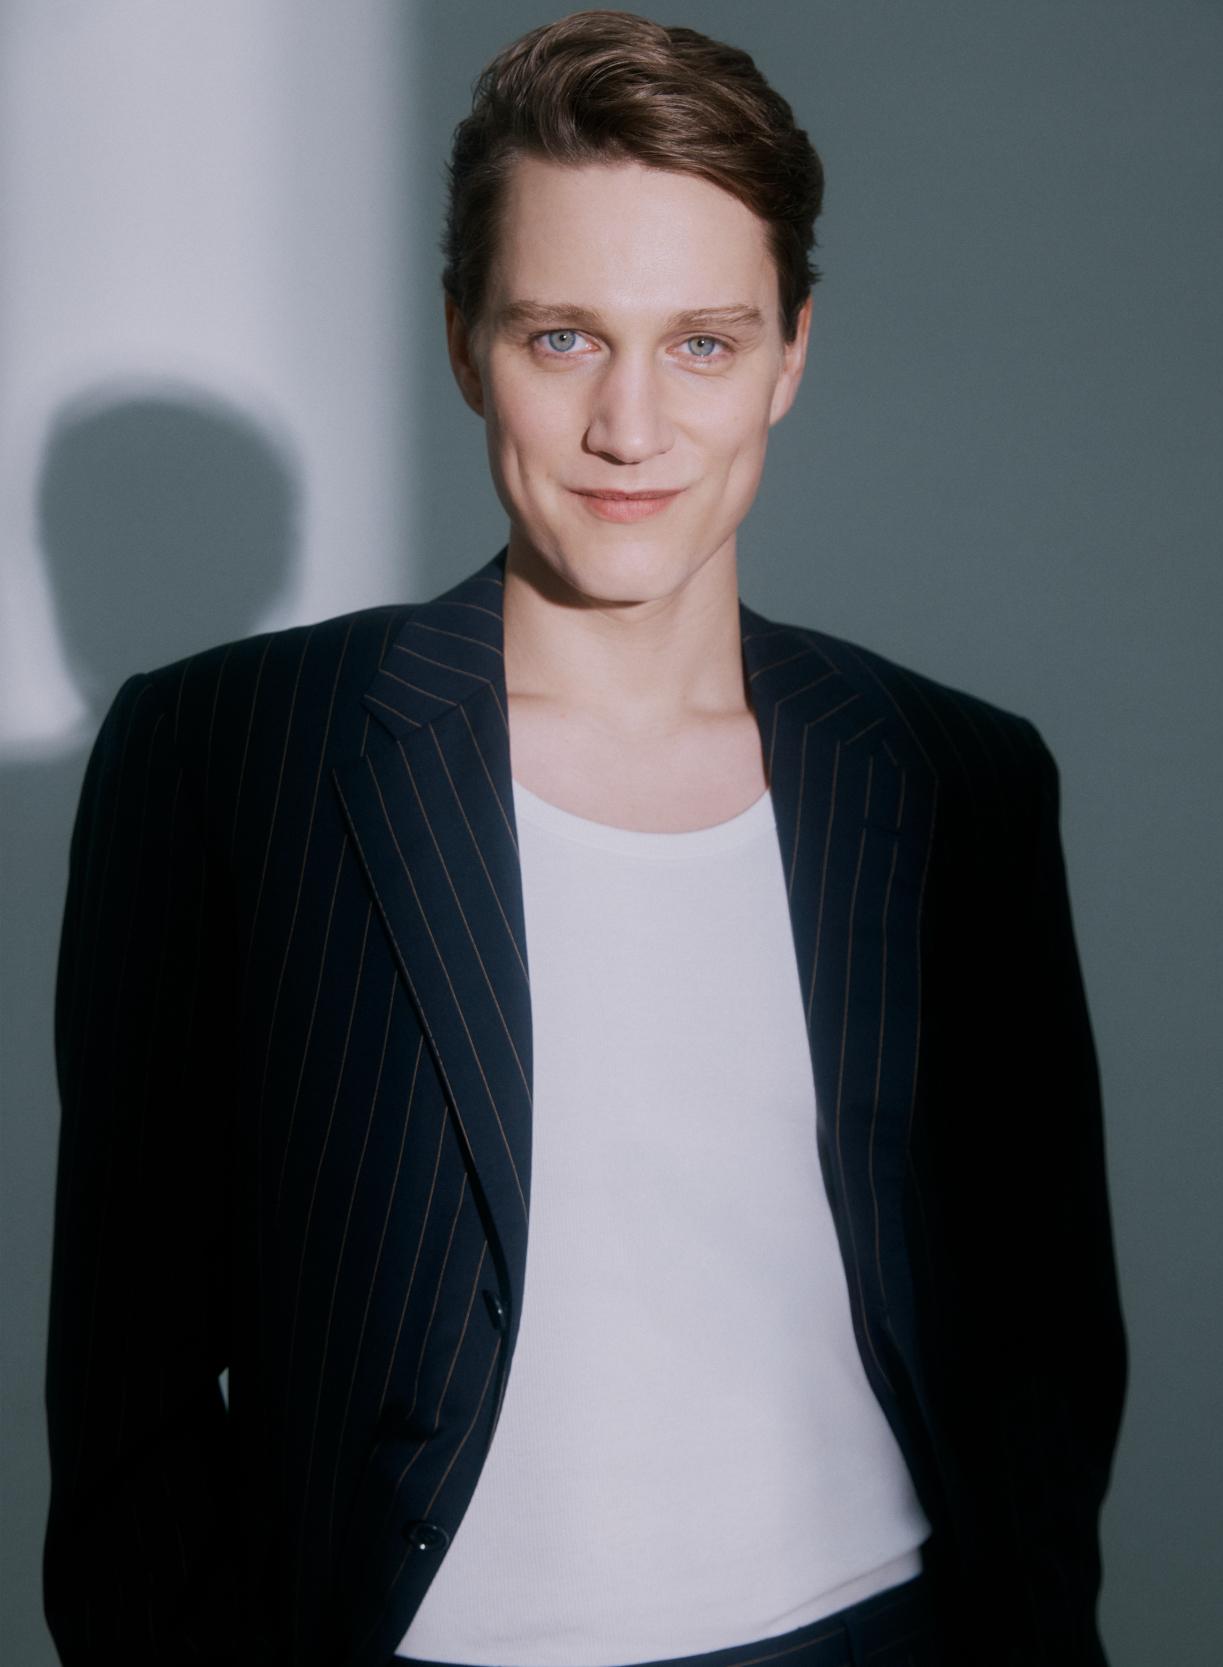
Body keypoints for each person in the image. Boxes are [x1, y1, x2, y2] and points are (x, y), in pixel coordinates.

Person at [44, 12, 1125, 1667]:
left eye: (701, 343)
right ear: (464, 342)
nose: (631, 424)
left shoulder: (954, 778)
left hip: (871, 1632)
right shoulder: (229, 756)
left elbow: (1041, 1332)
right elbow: (126, 1374)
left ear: (789, 355)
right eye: (563, 338)